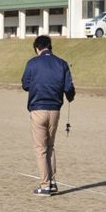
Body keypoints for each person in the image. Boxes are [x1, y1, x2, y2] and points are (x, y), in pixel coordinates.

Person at [21, 35, 75, 196]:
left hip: (38, 109)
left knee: (40, 148)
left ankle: (45, 185)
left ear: (37, 48)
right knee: (50, 146)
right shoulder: (62, 63)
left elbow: (25, 84)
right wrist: (70, 97)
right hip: (55, 110)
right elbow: (69, 88)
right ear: (50, 47)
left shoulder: (32, 63)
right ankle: (52, 181)